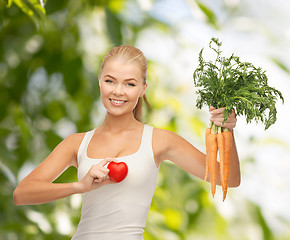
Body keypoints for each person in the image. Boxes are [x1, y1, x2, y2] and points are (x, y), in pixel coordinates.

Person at [13, 45, 240, 240]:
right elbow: (22, 193)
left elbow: (230, 179)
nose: (118, 91)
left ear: (143, 89)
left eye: (129, 84)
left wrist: (227, 132)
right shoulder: (76, 143)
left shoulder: (159, 141)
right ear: (100, 82)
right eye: (110, 81)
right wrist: (79, 186)